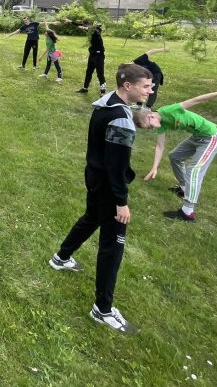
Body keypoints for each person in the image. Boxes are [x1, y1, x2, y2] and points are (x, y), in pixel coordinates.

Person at [48, 63, 153, 335]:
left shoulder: (108, 104)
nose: (150, 91)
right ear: (127, 86)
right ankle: (103, 309)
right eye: (145, 86)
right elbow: (115, 165)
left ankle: (61, 257)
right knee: (112, 245)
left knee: (91, 217)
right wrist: (121, 201)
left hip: (94, 177)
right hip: (107, 185)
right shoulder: (120, 117)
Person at [135, 81, 217, 222]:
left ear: (151, 116)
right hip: (197, 137)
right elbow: (160, 146)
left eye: (150, 126)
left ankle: (187, 212)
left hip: (211, 137)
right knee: (174, 156)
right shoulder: (161, 124)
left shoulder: (169, 110)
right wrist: (154, 167)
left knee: (194, 170)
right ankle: (183, 188)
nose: (152, 129)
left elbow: (197, 99)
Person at [76, 21, 107, 95]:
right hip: (92, 55)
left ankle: (103, 92)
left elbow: (94, 30)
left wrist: (85, 27)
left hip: (99, 56)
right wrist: (70, 21)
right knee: (89, 72)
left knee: (100, 73)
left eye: (85, 25)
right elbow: (80, 25)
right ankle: (85, 88)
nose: (84, 27)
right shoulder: (91, 30)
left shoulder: (96, 31)